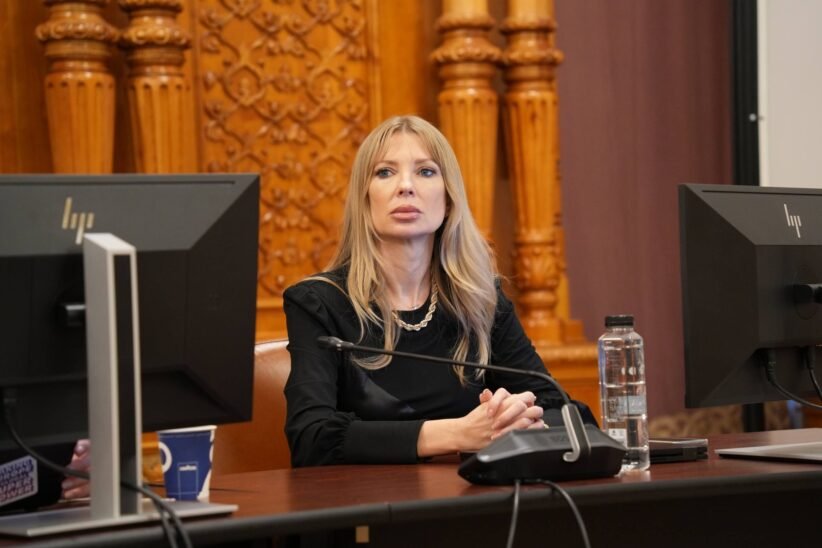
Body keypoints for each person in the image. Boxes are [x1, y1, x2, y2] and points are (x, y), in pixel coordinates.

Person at [283, 115, 595, 467]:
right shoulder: (318, 303)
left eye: (426, 171)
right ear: (364, 200)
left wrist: (518, 418)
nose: (405, 186)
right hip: (370, 509)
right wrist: (457, 434)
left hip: (472, 502)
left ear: (448, 200)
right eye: (385, 172)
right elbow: (311, 438)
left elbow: (569, 417)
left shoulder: (481, 301)